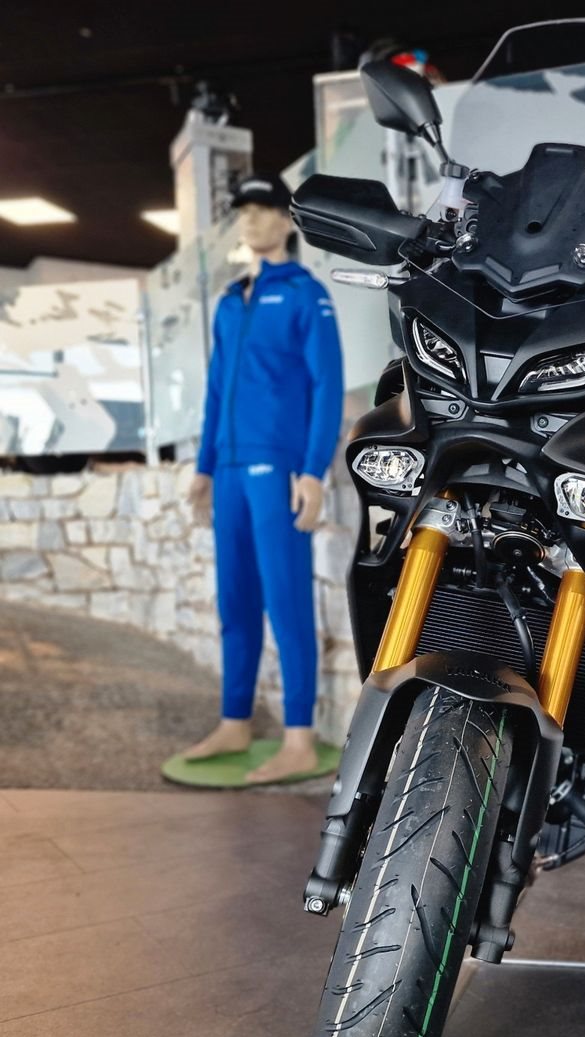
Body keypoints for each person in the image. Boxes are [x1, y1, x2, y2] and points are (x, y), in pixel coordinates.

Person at [182, 173, 344, 783]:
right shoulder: (230, 301)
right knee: (236, 600)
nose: (250, 220)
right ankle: (235, 721)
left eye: (262, 209)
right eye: (244, 211)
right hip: (228, 467)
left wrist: (313, 470)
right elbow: (216, 390)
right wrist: (204, 467)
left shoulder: (305, 294)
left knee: (286, 596)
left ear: (285, 220)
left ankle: (299, 736)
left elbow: (327, 384)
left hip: (276, 466)